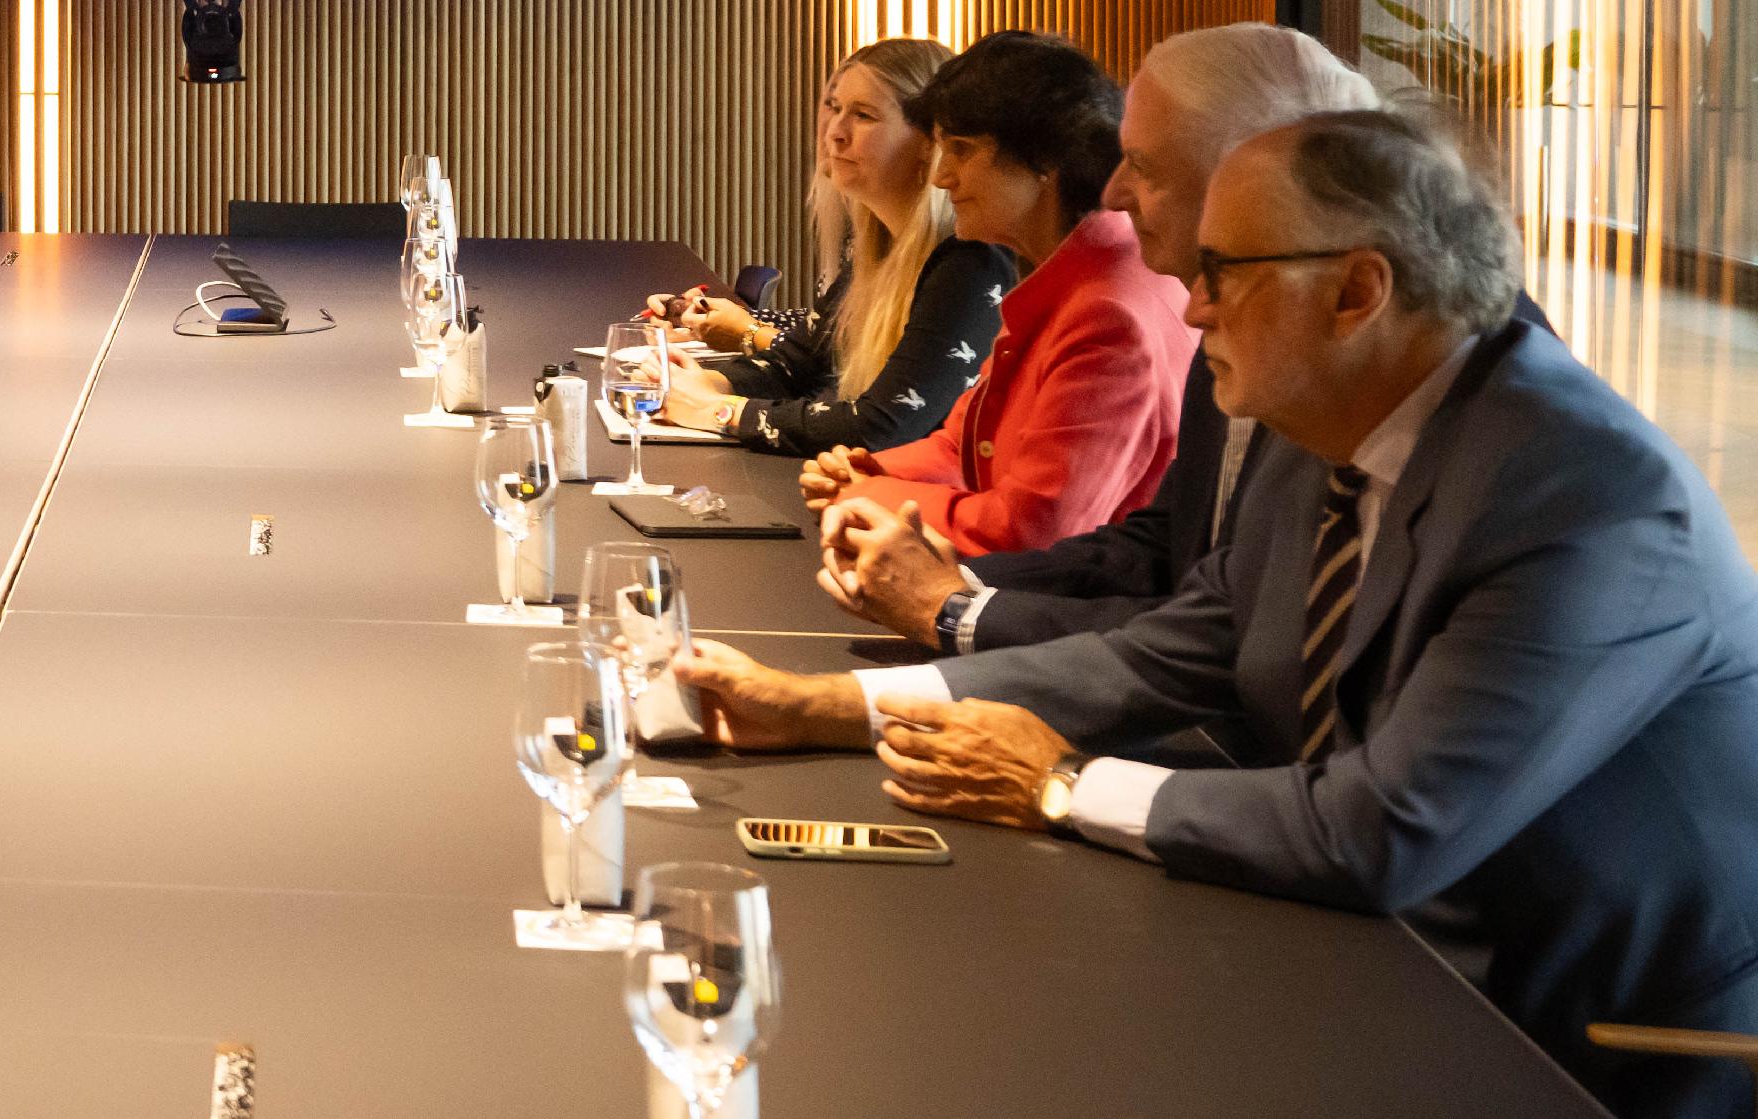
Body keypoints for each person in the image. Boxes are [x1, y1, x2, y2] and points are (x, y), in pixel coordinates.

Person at [674, 112, 1758, 1119]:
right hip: (1349, 957)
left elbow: (1380, 833)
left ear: (1355, 292)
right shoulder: (1327, 422)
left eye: (1221, 275)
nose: (1189, 307)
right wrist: (829, 707)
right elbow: (1179, 648)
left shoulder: (1581, 498)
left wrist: (1060, 785)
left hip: (1565, 1040)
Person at [820, 23, 1389, 654]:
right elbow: (1164, 556)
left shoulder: (1117, 304)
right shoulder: (1184, 302)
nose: (1113, 189)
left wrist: (896, 527)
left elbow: (1054, 534)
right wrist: (941, 581)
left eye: (1142, 165)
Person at [789, 30, 1193, 558]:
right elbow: (965, 443)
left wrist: (873, 494)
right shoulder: (1061, 270)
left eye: (961, 151)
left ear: (1044, 162)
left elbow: (1032, 529)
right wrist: (874, 469)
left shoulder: (1106, 315)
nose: (942, 177)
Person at [646, 37, 1013, 456]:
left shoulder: (970, 262)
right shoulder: (870, 247)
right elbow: (795, 365)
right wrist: (696, 382)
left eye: (864, 115)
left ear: (929, 141)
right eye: (835, 108)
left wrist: (719, 412)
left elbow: (880, 426)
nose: (834, 133)